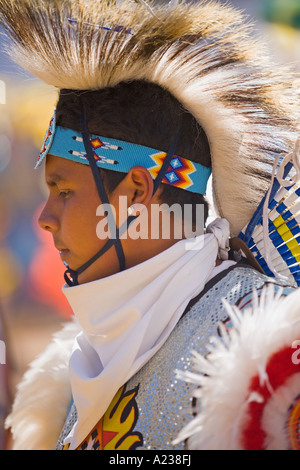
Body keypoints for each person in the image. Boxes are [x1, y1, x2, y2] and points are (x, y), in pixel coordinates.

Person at [1, 0, 300, 451]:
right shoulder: (71, 375)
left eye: (63, 191)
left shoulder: (270, 358)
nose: (45, 219)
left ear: (138, 190)